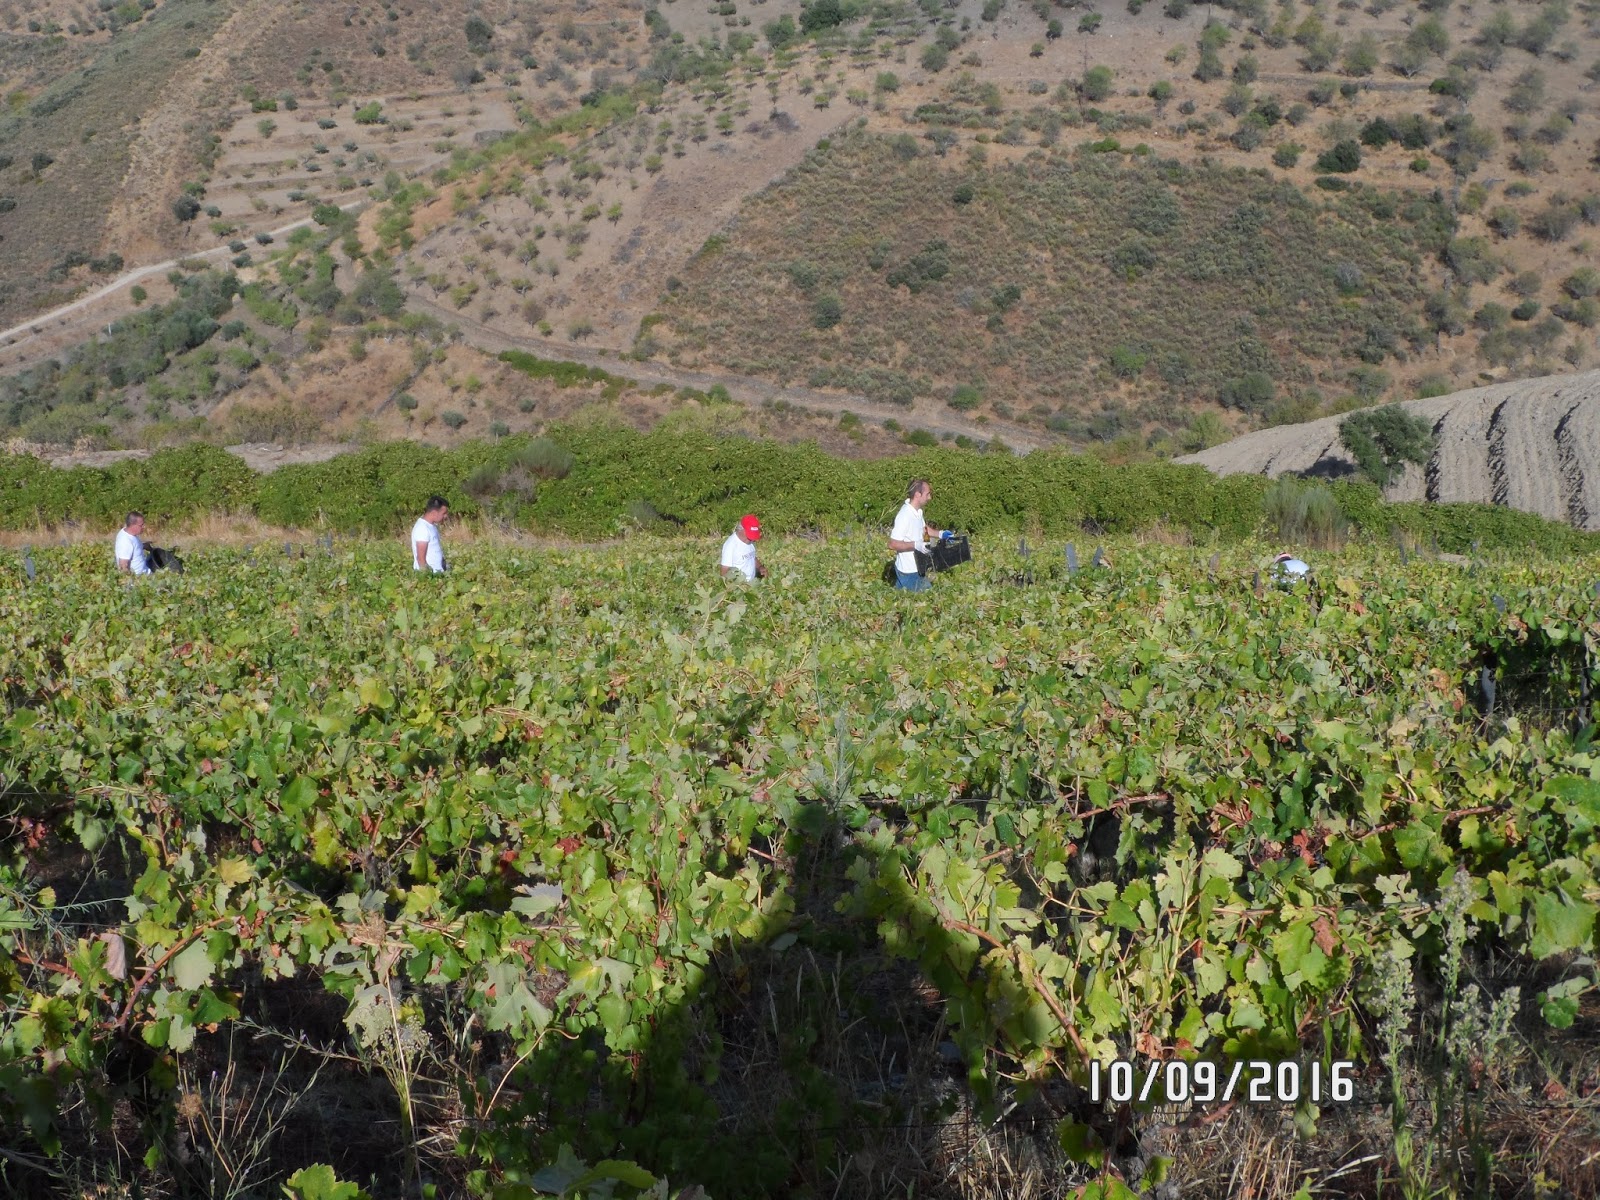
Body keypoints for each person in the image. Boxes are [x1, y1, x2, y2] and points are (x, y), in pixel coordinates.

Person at [889, 478, 943, 592]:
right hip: (908, 571)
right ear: (918, 494)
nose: (929, 498)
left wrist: (941, 534)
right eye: (927, 494)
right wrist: (916, 545)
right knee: (927, 596)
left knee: (904, 596)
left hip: (918, 566)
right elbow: (892, 544)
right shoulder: (904, 515)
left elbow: (924, 529)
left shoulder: (917, 512)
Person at [720, 513, 766, 581]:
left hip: (752, 583)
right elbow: (724, 571)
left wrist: (760, 567)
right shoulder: (731, 545)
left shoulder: (750, 541)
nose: (752, 539)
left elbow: (751, 556)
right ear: (741, 529)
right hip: (740, 585)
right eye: (750, 535)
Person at [411, 496, 449, 573]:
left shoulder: (431, 526)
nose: (446, 516)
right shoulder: (422, 528)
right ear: (434, 513)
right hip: (431, 575)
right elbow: (421, 558)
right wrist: (427, 576)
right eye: (444, 513)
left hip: (437, 573)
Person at [114, 511, 151, 576]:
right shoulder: (125, 541)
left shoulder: (131, 534)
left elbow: (133, 547)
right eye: (141, 525)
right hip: (139, 578)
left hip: (145, 572)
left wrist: (143, 545)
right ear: (133, 525)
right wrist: (132, 580)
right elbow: (123, 566)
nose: (144, 527)